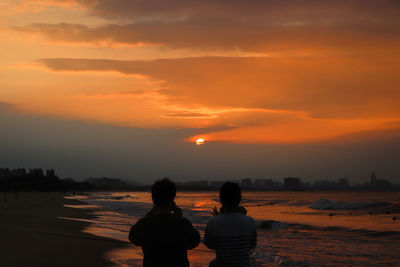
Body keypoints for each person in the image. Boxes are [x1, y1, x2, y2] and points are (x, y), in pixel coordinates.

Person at [129, 178, 200, 267]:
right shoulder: (183, 224)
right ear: (173, 198)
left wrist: (150, 213)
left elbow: (133, 238)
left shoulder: (144, 224)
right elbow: (194, 241)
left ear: (153, 198)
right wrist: (179, 218)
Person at [204, 182, 257, 267]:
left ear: (220, 199)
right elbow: (252, 244)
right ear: (239, 199)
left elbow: (209, 244)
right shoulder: (250, 221)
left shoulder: (213, 222)